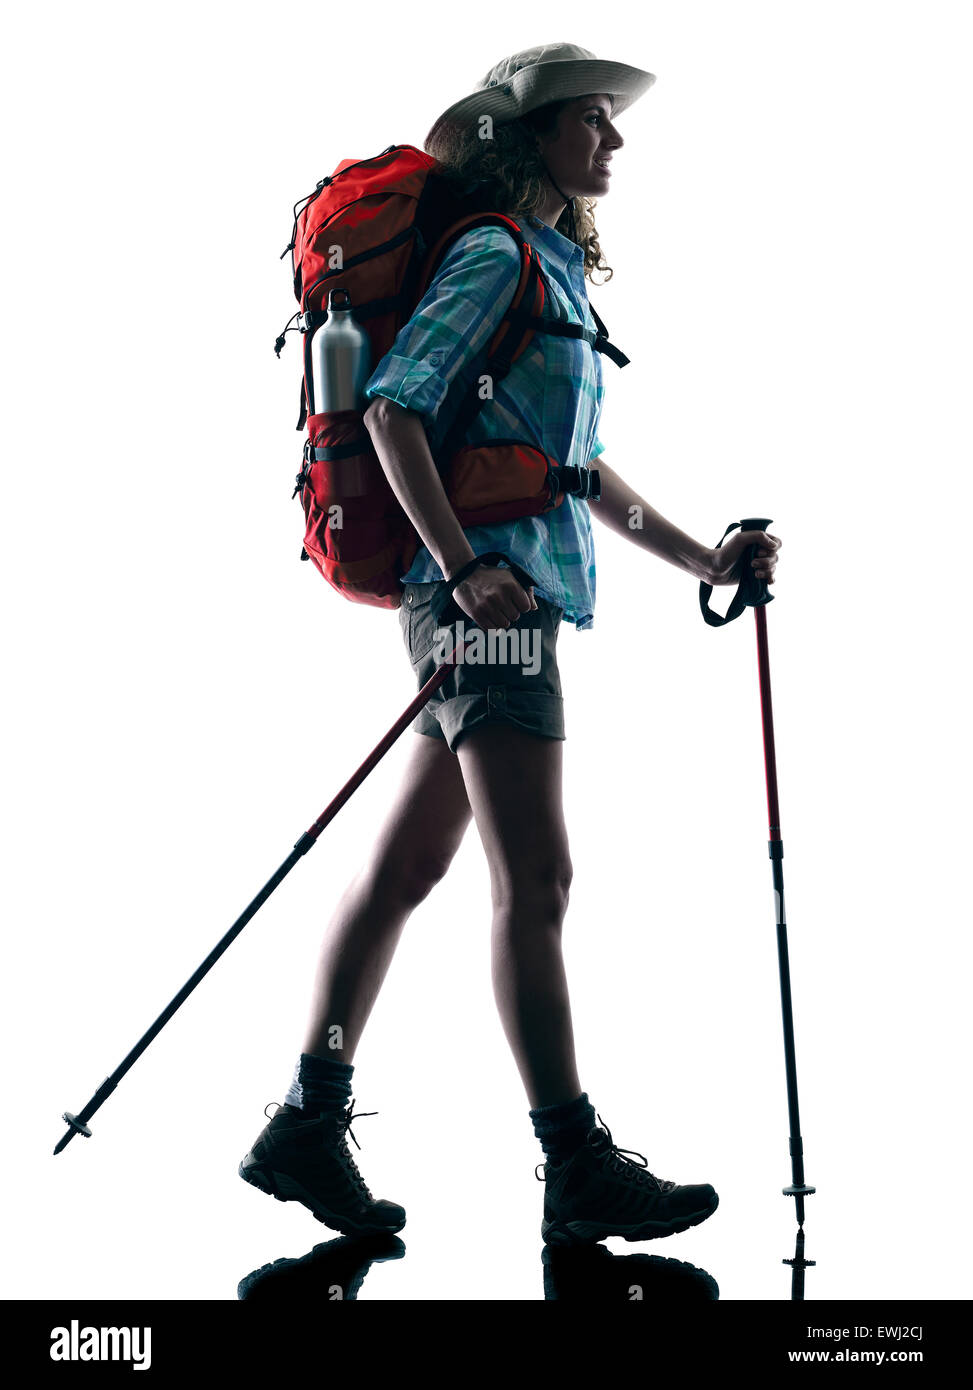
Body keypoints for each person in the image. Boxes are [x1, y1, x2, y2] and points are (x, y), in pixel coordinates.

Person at [240, 42, 781, 1247]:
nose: (615, 140)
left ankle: (303, 1120)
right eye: (593, 120)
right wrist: (463, 565)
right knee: (536, 881)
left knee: (408, 871)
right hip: (492, 611)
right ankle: (574, 1160)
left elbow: (568, 472)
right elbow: (391, 408)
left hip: (499, 599)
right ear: (528, 138)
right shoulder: (494, 254)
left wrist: (704, 560)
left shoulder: (554, 275)